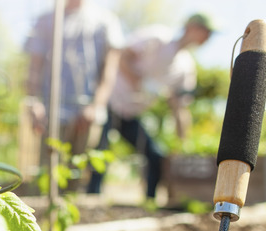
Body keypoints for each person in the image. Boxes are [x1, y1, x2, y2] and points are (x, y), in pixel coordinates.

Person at [86, 13, 216, 202]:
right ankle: (92, 198)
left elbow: (179, 107)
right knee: (101, 152)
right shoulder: (157, 38)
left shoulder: (185, 68)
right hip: (111, 102)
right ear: (192, 28)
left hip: (131, 114)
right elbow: (121, 57)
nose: (208, 37)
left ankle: (149, 202)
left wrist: (183, 144)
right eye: (206, 31)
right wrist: (141, 80)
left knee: (155, 156)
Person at [24, 0, 123, 190]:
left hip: (87, 112)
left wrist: (96, 105)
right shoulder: (45, 20)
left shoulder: (105, 21)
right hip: (50, 111)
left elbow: (109, 71)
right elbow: (34, 68)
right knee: (47, 176)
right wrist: (34, 102)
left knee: (77, 177)